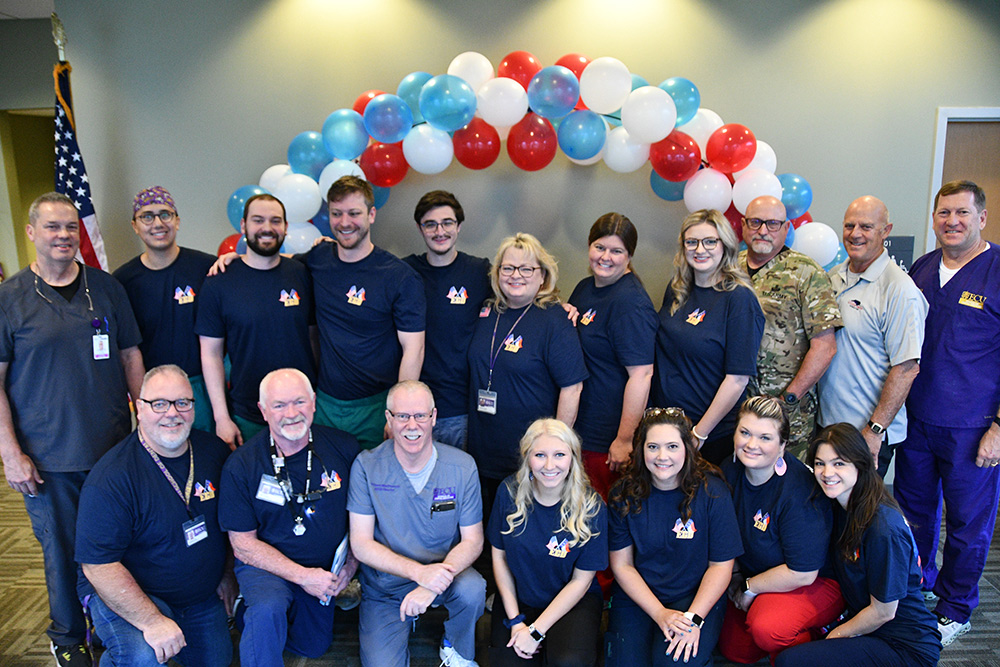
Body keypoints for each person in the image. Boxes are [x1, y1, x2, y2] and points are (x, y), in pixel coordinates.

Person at [0, 192, 143, 666]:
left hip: (112, 449)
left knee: (114, 545)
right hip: (47, 458)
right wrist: (9, 452)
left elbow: (129, 356)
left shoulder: (105, 288)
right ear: (32, 233)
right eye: (52, 227)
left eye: (68, 227)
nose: (63, 236)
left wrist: (145, 421)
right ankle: (67, 637)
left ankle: (108, 622)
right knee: (61, 552)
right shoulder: (10, 298)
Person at [894, 179, 1000, 645]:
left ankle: (956, 607)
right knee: (914, 515)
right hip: (917, 421)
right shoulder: (922, 268)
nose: (952, 222)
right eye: (944, 214)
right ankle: (917, 591)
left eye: (962, 213)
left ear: (981, 218)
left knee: (966, 524)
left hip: (972, 428)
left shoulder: (996, 270)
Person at [76, 365, 234, 667]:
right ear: (138, 407)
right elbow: (98, 566)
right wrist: (152, 621)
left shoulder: (214, 453)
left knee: (217, 661)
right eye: (159, 403)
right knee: (141, 656)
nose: (171, 413)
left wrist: (226, 572)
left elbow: (230, 524)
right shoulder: (111, 478)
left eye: (182, 403)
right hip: (130, 594)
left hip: (197, 597)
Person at [219, 368, 359, 665]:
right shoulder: (241, 465)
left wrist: (349, 567)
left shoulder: (344, 448)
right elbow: (243, 545)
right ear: (263, 411)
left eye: (299, 402)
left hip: (324, 570)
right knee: (268, 609)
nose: (291, 413)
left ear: (313, 402)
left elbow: (364, 517)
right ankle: (258, 615)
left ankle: (260, 620)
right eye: (279, 405)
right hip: (265, 567)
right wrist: (302, 577)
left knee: (314, 646)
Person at [774, 423, 941, 666]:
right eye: (820, 463)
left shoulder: (883, 528)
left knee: (792, 662)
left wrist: (835, 637)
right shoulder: (840, 506)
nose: (827, 472)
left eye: (839, 463)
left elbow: (884, 612)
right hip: (868, 628)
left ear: (861, 464)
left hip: (904, 644)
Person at [348, 380, 484, 667]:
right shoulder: (366, 466)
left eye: (421, 415)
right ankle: (403, 619)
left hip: (445, 576)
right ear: (389, 419)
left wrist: (431, 585)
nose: (413, 425)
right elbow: (360, 544)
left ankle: (455, 644)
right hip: (386, 586)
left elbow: (473, 541)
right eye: (402, 416)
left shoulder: (462, 467)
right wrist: (418, 574)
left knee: (472, 589)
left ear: (434, 417)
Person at [607, 407, 741, 667]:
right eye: (653, 447)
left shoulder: (712, 492)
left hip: (694, 595)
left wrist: (694, 619)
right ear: (641, 449)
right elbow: (622, 565)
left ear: (687, 449)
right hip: (640, 595)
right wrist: (659, 613)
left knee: (671, 662)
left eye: (671, 446)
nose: (662, 456)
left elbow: (721, 566)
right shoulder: (623, 494)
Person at [298, 175, 426, 450]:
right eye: (336, 214)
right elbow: (274, 262)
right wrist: (238, 258)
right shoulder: (318, 259)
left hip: (376, 407)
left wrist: (399, 415)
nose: (345, 223)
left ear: (371, 214)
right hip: (325, 405)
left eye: (354, 213)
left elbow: (413, 349)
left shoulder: (399, 277)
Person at [466, 233, 588, 518]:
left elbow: (572, 389)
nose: (516, 275)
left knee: (520, 530)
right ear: (497, 274)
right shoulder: (487, 311)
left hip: (529, 456)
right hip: (482, 449)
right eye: (508, 268)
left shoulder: (556, 320)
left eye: (527, 269)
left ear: (542, 276)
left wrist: (553, 450)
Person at [719, 396, 844, 664]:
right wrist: (737, 576)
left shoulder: (799, 492)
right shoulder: (729, 471)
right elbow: (724, 533)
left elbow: (803, 572)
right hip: (757, 574)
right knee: (736, 650)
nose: (752, 445)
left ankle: (815, 648)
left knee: (768, 629)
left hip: (813, 580)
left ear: (783, 446)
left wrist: (750, 588)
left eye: (765, 437)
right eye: (745, 433)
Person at [817, 196, 927, 476]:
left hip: (865, 433)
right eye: (849, 225)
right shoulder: (833, 277)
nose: (855, 234)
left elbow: (906, 368)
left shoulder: (900, 290)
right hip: (828, 427)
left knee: (860, 517)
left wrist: (875, 430)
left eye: (866, 227)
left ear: (885, 231)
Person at [196, 193, 316, 448]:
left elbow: (314, 337)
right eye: (258, 220)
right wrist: (222, 418)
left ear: (285, 227)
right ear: (243, 226)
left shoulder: (302, 274)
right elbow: (211, 355)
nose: (267, 228)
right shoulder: (219, 281)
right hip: (247, 415)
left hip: (302, 413)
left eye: (275, 221)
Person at [488, 418, 607, 666]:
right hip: (519, 597)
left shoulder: (592, 506)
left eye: (560, 455)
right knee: (507, 661)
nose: (550, 465)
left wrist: (535, 631)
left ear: (573, 459)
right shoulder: (508, 492)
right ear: (527, 458)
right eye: (540, 455)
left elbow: (581, 581)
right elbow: (499, 557)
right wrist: (515, 621)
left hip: (572, 601)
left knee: (568, 661)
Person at [652, 209, 765, 465]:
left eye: (709, 241)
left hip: (711, 436)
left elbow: (737, 379)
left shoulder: (739, 298)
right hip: (669, 428)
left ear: (724, 245)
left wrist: (699, 433)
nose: (700, 250)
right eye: (691, 242)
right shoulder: (678, 290)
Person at [739, 196, 841, 460]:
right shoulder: (728, 268)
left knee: (788, 488)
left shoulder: (806, 272)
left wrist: (788, 400)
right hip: (735, 408)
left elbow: (825, 346)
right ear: (743, 225)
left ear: (786, 229)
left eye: (772, 224)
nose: (763, 230)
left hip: (787, 414)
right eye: (756, 222)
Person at [114, 186, 218, 432]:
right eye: (147, 216)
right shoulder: (122, 281)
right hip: (154, 395)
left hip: (203, 389)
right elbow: (128, 353)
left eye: (165, 214)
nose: (157, 223)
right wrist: (142, 404)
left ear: (177, 221)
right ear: (135, 226)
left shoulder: (207, 267)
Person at [568, 213, 657, 499]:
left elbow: (642, 376)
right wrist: (564, 313)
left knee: (602, 519)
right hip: (579, 427)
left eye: (616, 251)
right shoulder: (585, 288)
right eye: (600, 247)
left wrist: (624, 439)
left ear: (629, 256)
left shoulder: (631, 302)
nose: (606, 257)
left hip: (606, 439)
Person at [402, 190, 491, 449]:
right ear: (420, 229)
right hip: (417, 410)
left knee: (459, 485)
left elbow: (520, 291)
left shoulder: (479, 271)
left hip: (464, 409)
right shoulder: (405, 272)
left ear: (459, 226)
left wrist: (558, 306)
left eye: (447, 223)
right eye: (430, 224)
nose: (439, 231)